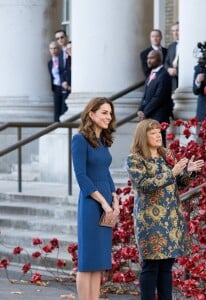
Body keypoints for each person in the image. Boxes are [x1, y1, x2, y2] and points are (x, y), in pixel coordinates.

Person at [126, 119, 204, 300]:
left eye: (158, 132)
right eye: (152, 133)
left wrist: (189, 172)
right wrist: (172, 173)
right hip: (150, 221)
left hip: (170, 218)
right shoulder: (135, 159)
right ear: (142, 136)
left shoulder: (167, 155)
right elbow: (144, 185)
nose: (157, 135)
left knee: (167, 266)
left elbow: (178, 184)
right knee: (151, 265)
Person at [71, 97, 120, 300]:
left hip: (107, 204)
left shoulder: (101, 141)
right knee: (87, 261)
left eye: (110, 113)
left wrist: (115, 199)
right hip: (91, 204)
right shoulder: (79, 140)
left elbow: (105, 172)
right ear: (91, 114)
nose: (109, 117)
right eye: (104, 112)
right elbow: (82, 176)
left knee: (98, 262)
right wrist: (103, 202)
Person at [137, 50, 173, 146]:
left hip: (159, 117)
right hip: (150, 117)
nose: (148, 60)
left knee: (159, 146)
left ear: (159, 59)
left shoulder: (164, 75)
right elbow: (145, 95)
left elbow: (159, 97)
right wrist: (140, 110)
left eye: (151, 58)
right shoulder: (151, 74)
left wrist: (145, 112)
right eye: (148, 58)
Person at [47, 41, 65, 122]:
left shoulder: (63, 59)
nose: (53, 50)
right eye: (51, 49)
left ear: (59, 49)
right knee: (56, 109)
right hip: (56, 88)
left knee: (63, 109)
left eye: (55, 48)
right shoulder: (50, 63)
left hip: (64, 86)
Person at [54, 29, 69, 113]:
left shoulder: (71, 50)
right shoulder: (60, 54)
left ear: (66, 37)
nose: (60, 40)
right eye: (57, 38)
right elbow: (60, 70)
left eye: (62, 37)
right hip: (63, 86)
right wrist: (63, 81)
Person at [164, 21, 179, 92]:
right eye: (173, 31)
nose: (175, 33)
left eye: (177, 30)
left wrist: (177, 71)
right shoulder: (171, 46)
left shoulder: (187, 45)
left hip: (183, 80)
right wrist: (168, 69)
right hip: (172, 82)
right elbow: (166, 62)